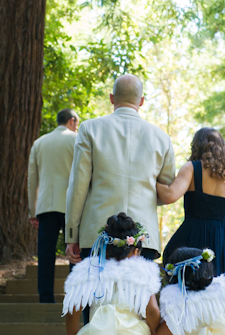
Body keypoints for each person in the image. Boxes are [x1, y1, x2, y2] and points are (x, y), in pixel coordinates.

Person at [65, 74, 175, 264]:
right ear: (141, 101)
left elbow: (78, 187)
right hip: (143, 237)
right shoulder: (161, 138)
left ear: (111, 98)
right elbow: (167, 189)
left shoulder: (89, 129)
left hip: (97, 234)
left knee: (95, 293)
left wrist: (72, 235)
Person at [158, 127, 225, 302]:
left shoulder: (192, 169)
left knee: (189, 297)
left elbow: (169, 195)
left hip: (192, 240)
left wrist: (149, 179)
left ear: (196, 147)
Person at [28, 109, 79, 303]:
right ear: (72, 121)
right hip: (71, 205)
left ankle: (46, 297)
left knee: (45, 252)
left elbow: (32, 180)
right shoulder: (77, 140)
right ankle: (74, 296)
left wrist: (33, 211)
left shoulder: (39, 143)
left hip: (46, 205)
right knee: (74, 251)